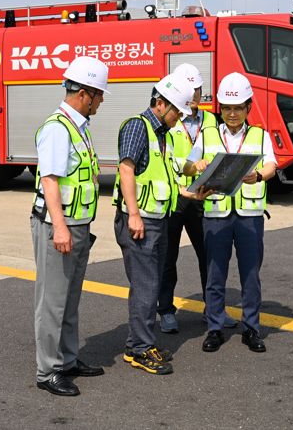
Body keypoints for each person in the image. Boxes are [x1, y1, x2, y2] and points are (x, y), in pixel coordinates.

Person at [113, 73, 212, 375]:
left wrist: (192, 191)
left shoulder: (164, 135)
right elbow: (126, 170)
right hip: (140, 222)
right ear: (160, 103)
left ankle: (140, 342)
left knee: (151, 285)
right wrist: (133, 215)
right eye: (176, 112)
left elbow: (166, 177)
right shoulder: (137, 127)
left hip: (158, 221)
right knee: (145, 287)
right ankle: (140, 349)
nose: (178, 118)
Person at [31, 56, 109, 397]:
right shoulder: (57, 128)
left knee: (70, 298)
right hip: (59, 226)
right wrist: (59, 227)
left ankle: (67, 360)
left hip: (78, 224)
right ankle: (47, 371)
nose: (102, 100)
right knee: (53, 301)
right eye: (100, 94)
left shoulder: (78, 126)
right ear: (85, 94)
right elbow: (49, 180)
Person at [184, 72, 277, 353]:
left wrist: (258, 176)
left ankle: (251, 328)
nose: (232, 114)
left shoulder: (260, 135)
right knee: (215, 274)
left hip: (249, 215)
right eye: (227, 108)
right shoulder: (207, 134)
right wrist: (196, 166)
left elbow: (272, 165)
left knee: (251, 274)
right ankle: (214, 328)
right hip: (216, 215)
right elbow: (187, 167)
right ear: (220, 109)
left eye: (238, 108)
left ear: (249, 107)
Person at [158, 63, 237, 334]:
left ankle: (213, 308)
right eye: (188, 90)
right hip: (175, 196)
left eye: (197, 90)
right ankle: (166, 310)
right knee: (167, 257)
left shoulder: (213, 121)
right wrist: (189, 165)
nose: (193, 96)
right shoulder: (168, 121)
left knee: (210, 256)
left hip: (204, 197)